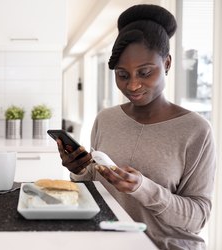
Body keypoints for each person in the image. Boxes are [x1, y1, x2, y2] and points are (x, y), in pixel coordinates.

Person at [55, 4, 216, 250]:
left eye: (144, 72)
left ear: (167, 63)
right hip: (107, 242)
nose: (132, 86)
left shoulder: (196, 130)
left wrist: (143, 188)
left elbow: (197, 219)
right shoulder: (106, 119)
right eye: (122, 74)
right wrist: (78, 172)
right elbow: (95, 190)